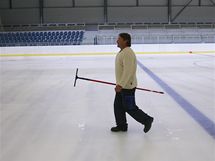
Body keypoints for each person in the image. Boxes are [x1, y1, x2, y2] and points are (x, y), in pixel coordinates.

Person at [111, 33, 154, 133]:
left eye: (119, 39)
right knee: (118, 107)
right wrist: (120, 84)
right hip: (122, 86)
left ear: (125, 41)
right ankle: (121, 125)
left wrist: (121, 84)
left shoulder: (128, 53)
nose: (117, 40)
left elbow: (128, 71)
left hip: (127, 86)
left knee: (129, 107)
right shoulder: (122, 52)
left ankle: (147, 120)